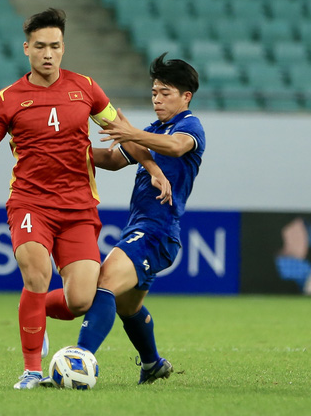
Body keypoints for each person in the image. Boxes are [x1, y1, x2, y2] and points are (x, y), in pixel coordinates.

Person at [0, 8, 170, 390]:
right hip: (30, 204)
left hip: (79, 208)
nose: (49, 53)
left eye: (56, 46)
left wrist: (152, 167)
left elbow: (125, 131)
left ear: (63, 48)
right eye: (41, 46)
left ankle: (34, 316)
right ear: (27, 48)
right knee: (36, 274)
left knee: (81, 299)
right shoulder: (8, 99)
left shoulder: (86, 88)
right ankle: (32, 371)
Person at [48, 53, 205, 384]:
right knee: (127, 307)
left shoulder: (188, 126)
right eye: (154, 92)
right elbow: (113, 159)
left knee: (104, 282)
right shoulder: (153, 129)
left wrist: (131, 133)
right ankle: (153, 365)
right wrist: (61, 150)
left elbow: (175, 148)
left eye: (165, 92)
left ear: (185, 97)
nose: (157, 99)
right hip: (142, 228)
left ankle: (79, 360)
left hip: (158, 231)